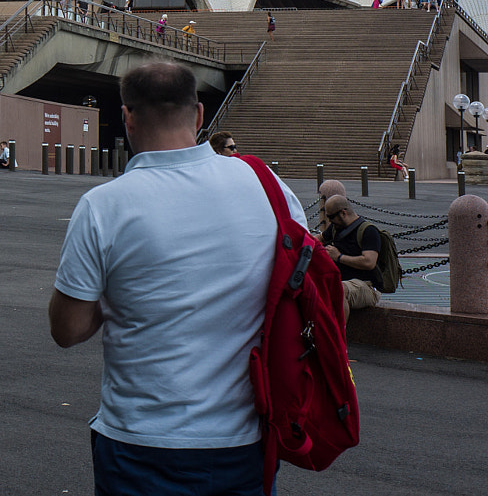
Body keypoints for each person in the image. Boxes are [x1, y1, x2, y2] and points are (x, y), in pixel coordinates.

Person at [50, 62, 306, 496]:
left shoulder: (103, 206)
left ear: (128, 117)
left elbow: (68, 330)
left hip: (139, 442)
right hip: (245, 440)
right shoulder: (267, 186)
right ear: (200, 115)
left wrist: (113, 299)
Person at [320, 195, 382, 319]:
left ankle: (338, 335)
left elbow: (369, 262)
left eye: (331, 217)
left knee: (339, 289)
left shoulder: (368, 231)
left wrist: (339, 257)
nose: (330, 221)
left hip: (366, 286)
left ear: (343, 213)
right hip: (341, 280)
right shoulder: (335, 228)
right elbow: (319, 239)